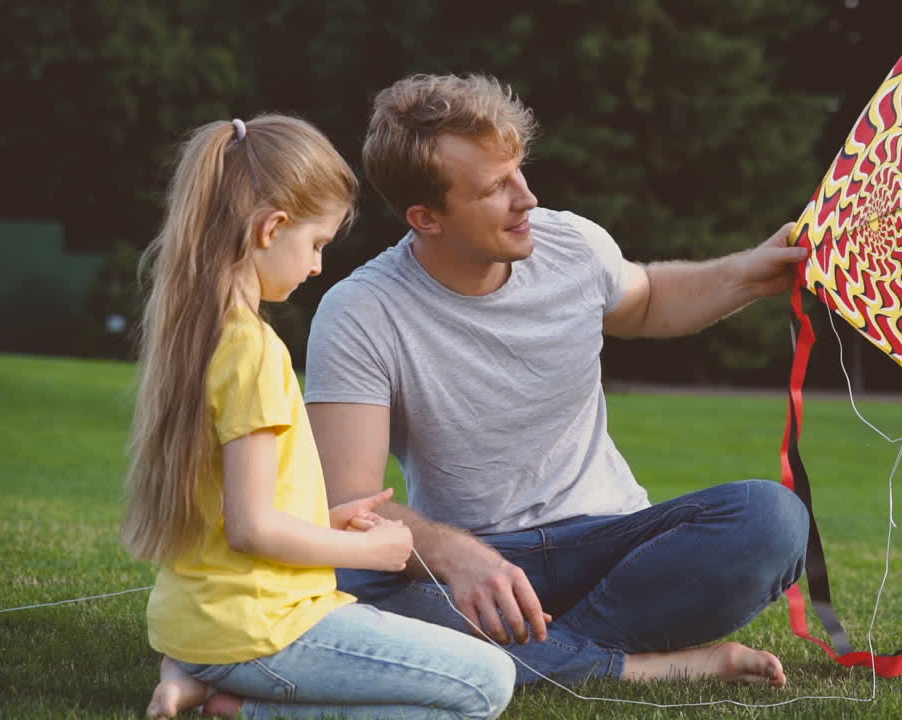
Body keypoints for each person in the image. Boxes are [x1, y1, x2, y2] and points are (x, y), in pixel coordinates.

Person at [305, 74, 811, 687]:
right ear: (426, 217)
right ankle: (631, 666)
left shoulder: (570, 244)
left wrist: (751, 274)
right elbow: (348, 510)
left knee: (773, 518)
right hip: (478, 567)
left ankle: (534, 655)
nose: (527, 199)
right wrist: (453, 553)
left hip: (612, 547)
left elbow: (647, 300)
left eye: (518, 170)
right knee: (339, 583)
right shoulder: (361, 311)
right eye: (495, 187)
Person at [122, 114, 515, 719]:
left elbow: (232, 515)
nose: (316, 266)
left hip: (204, 622)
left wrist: (327, 522)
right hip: (260, 627)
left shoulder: (203, 335)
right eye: (317, 244)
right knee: (487, 683)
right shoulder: (251, 351)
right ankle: (235, 708)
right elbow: (252, 529)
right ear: (271, 228)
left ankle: (197, 677)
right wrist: (376, 554)